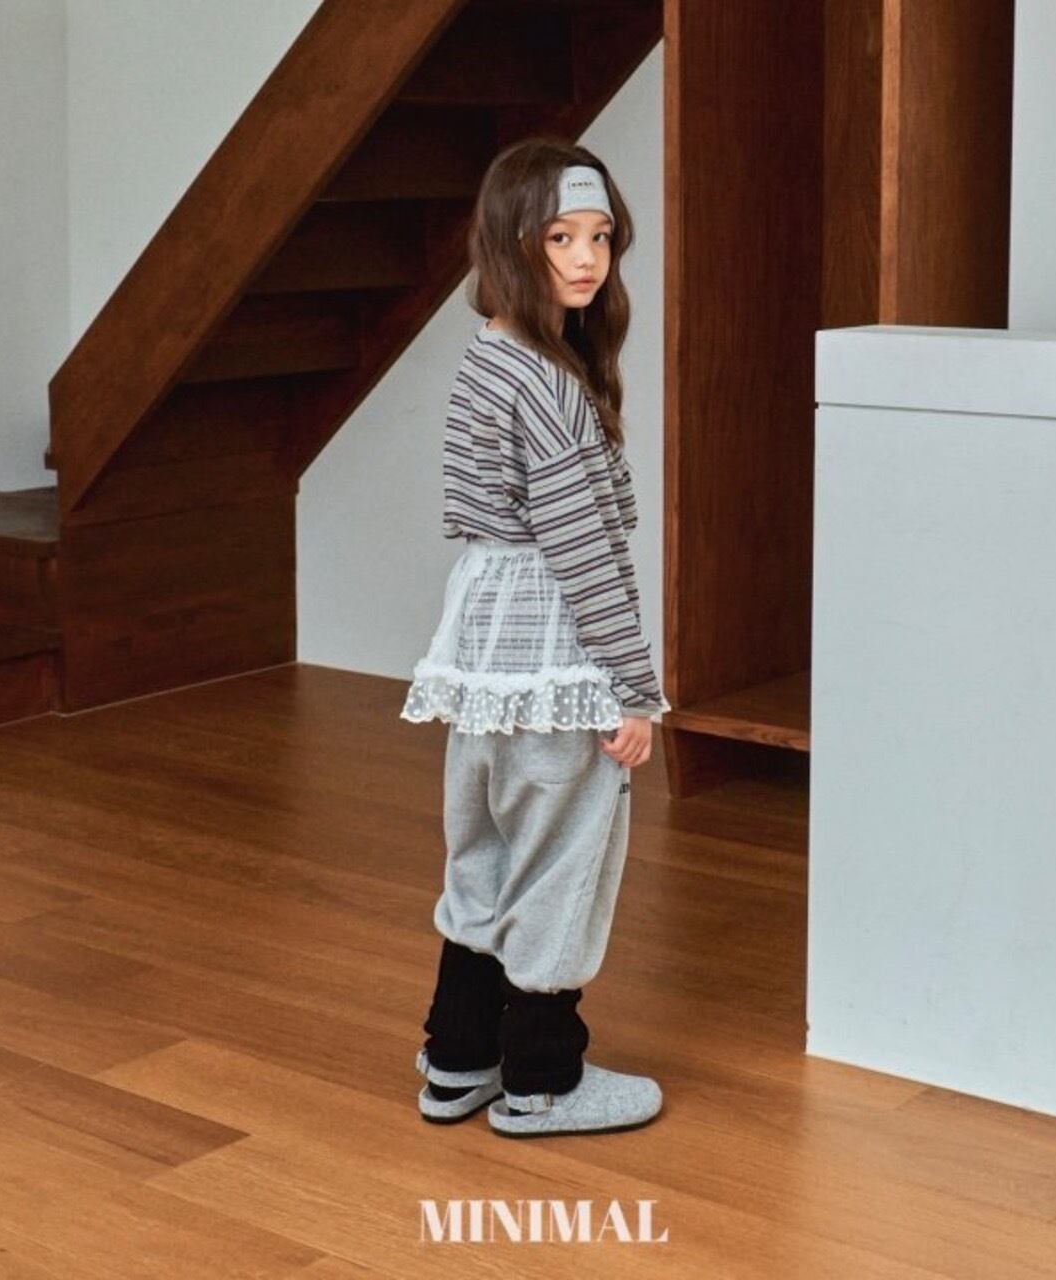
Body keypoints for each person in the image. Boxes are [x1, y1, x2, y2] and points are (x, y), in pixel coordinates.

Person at [399, 136, 670, 1138]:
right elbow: (583, 552)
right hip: (555, 651)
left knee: (484, 849)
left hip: (484, 650)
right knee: (561, 857)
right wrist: (632, 687)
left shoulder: (490, 356)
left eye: (600, 236)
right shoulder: (550, 386)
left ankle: (458, 1057)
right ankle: (544, 1079)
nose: (587, 258)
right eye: (561, 237)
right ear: (513, 240)